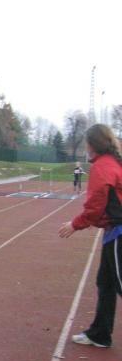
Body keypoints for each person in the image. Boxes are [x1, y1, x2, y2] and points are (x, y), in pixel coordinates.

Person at [58, 124, 122, 348]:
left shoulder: (103, 167)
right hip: (113, 232)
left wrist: (76, 224)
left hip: (119, 232)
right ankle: (100, 334)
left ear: (92, 144)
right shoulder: (113, 163)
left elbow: (96, 206)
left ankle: (100, 333)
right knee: (105, 282)